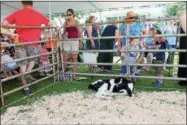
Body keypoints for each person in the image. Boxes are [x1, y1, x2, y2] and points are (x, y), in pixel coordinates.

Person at [1, 0, 51, 95]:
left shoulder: (17, 13)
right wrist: (43, 28)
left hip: (20, 42)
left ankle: (26, 88)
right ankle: (27, 74)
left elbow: (4, 23)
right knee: (32, 60)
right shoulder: (38, 14)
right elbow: (50, 24)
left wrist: (10, 32)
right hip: (34, 43)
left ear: (22, 3)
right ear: (32, 3)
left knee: (23, 64)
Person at [119, 11, 144, 76]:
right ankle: (124, 76)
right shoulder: (122, 25)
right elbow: (119, 37)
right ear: (127, 18)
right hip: (125, 45)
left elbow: (145, 32)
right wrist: (120, 47)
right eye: (131, 17)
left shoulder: (139, 24)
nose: (132, 18)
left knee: (134, 61)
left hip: (135, 46)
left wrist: (141, 41)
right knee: (125, 61)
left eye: (134, 17)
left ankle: (133, 76)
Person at [62, 8, 82, 80]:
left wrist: (80, 42)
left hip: (75, 41)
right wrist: (64, 37)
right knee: (65, 58)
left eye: (69, 14)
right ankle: (64, 74)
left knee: (74, 58)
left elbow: (80, 32)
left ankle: (74, 75)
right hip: (67, 41)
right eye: (67, 14)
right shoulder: (65, 22)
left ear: (73, 15)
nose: (68, 16)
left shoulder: (77, 22)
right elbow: (63, 33)